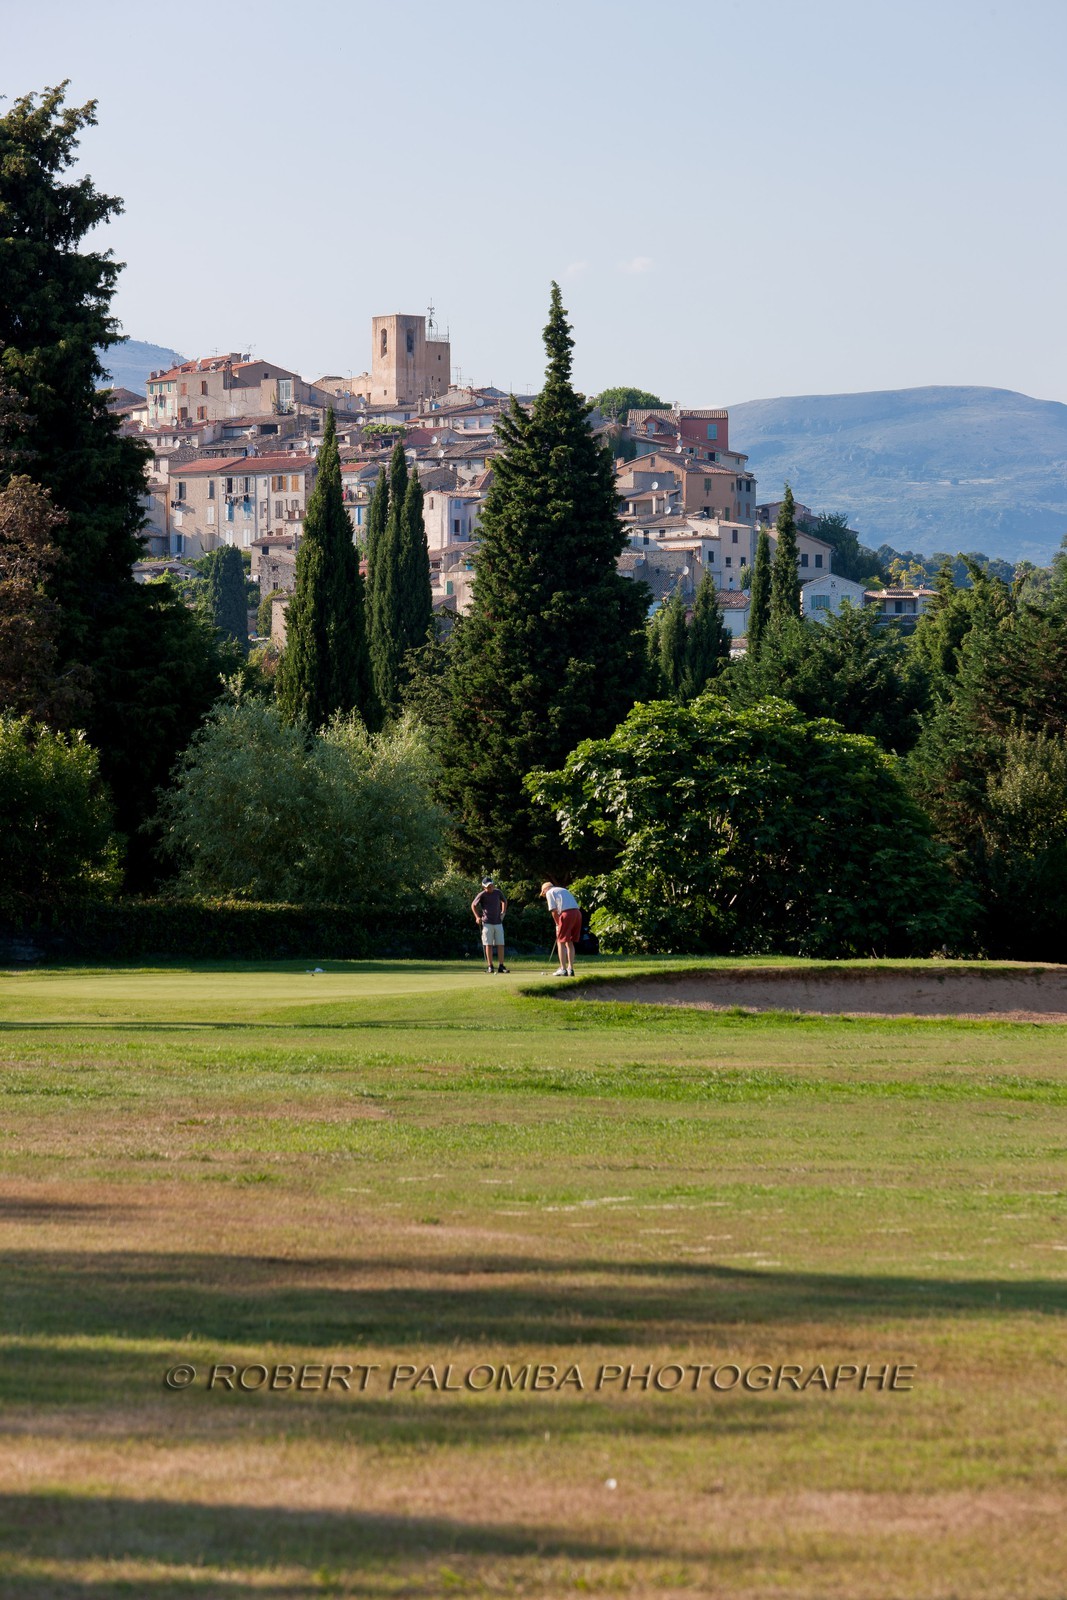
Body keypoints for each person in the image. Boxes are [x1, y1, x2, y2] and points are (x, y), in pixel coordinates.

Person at [540, 880, 581, 977]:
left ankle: (563, 969)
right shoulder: (563, 890)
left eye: (543, 893)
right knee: (569, 942)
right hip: (577, 914)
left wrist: (558, 924)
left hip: (566, 914)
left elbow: (554, 911)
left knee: (560, 941)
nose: (544, 895)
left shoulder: (549, 892)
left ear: (545, 890)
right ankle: (570, 969)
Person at [471, 876, 508, 973]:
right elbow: (473, 905)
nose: (490, 888)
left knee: (500, 944)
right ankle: (490, 966)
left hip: (498, 922)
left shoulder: (498, 892)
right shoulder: (482, 894)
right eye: (488, 887)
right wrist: (477, 917)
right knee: (488, 944)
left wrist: (503, 912)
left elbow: (504, 901)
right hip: (487, 923)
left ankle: (501, 966)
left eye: (491, 885)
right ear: (484, 887)